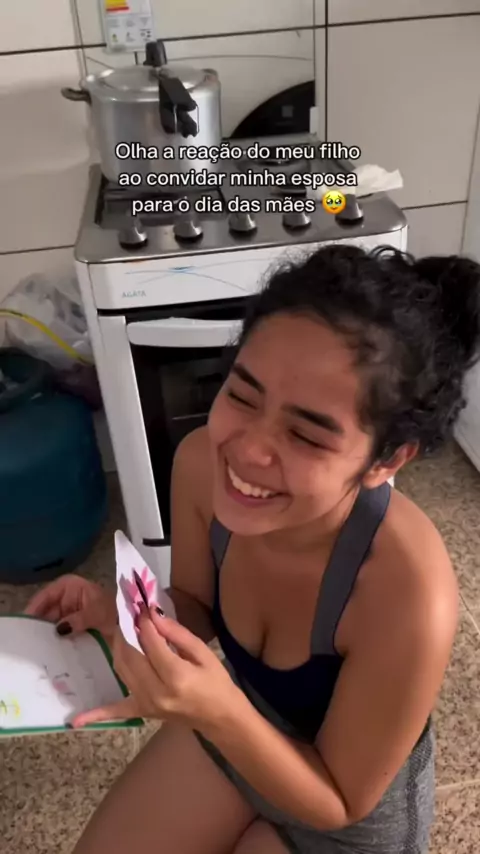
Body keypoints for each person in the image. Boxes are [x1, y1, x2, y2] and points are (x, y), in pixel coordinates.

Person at [25, 244, 480, 854]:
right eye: (242, 395)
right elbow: (196, 603)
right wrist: (130, 615)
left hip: (342, 817)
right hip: (241, 724)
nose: (246, 451)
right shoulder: (198, 465)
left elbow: (341, 800)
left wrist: (218, 711)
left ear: (387, 460)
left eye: (305, 434)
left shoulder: (408, 592)